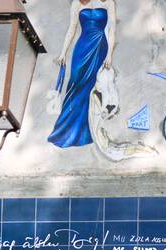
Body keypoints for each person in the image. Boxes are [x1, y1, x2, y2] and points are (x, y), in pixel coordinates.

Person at [47, 0, 116, 149]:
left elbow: (112, 30)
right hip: (82, 47)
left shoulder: (108, 2)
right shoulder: (77, 3)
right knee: (75, 83)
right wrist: (63, 53)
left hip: (99, 46)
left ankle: (86, 131)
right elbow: (72, 28)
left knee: (91, 86)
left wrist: (109, 54)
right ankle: (65, 130)